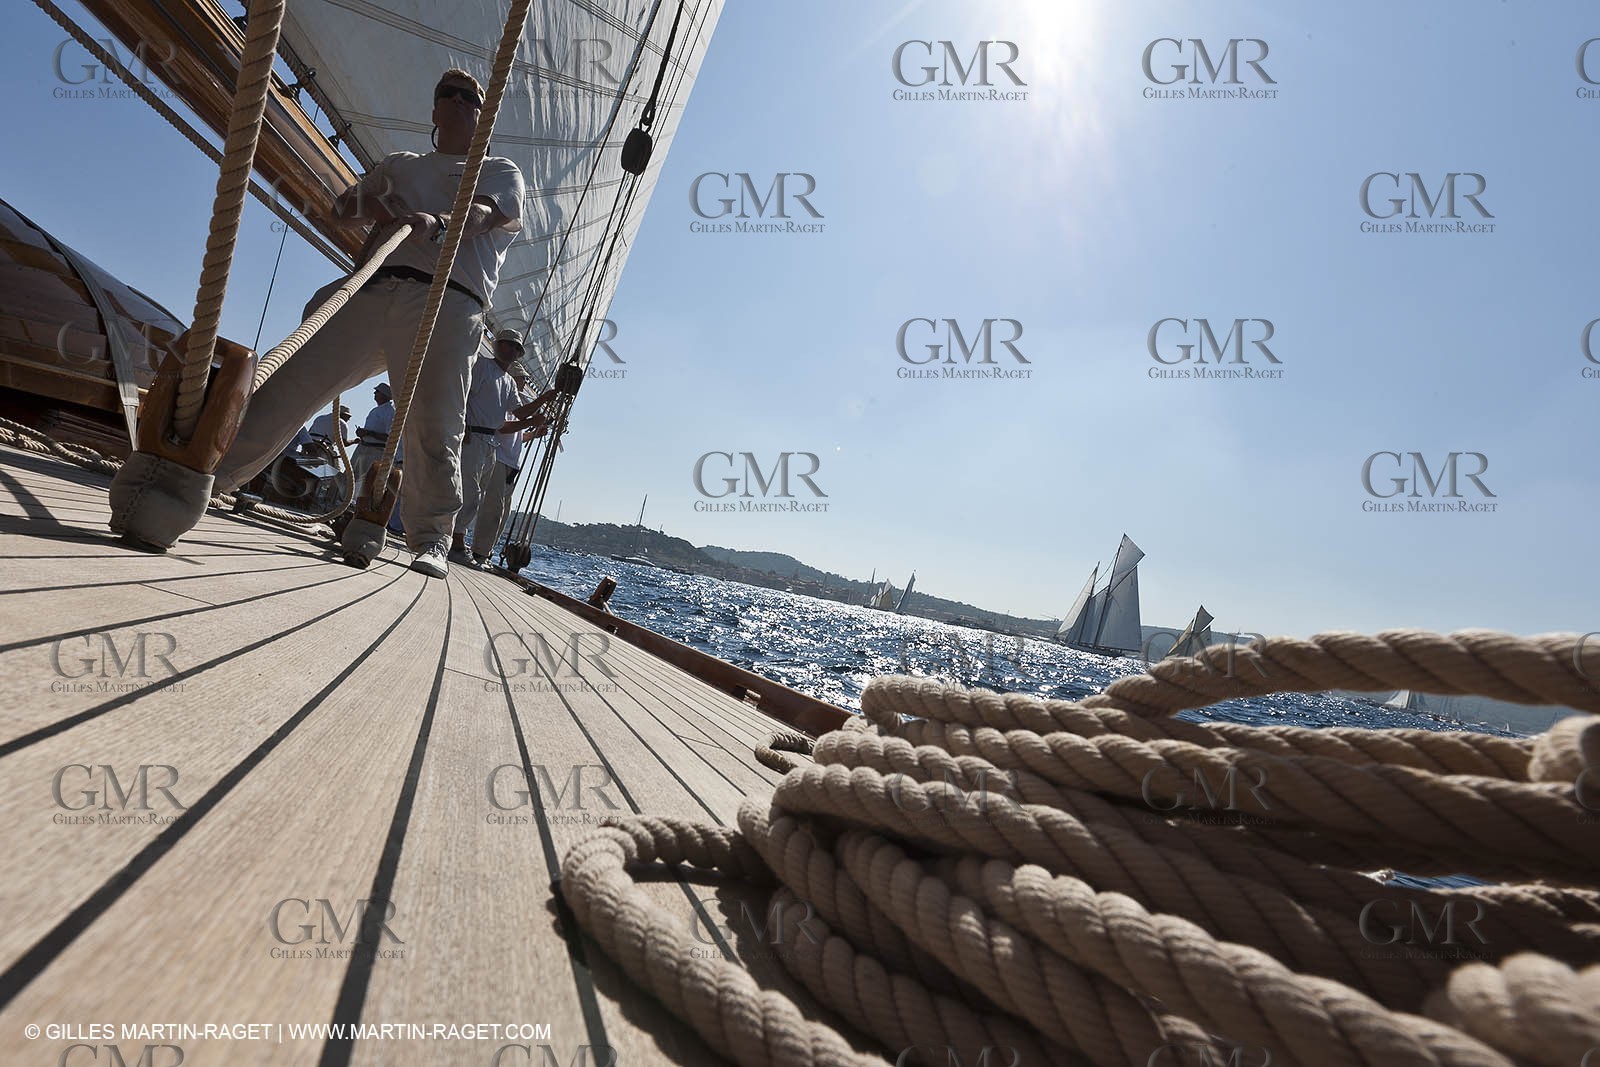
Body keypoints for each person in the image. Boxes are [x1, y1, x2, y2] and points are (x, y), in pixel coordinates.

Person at [212, 67, 525, 580]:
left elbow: (485, 215)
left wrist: (435, 222)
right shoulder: (401, 164)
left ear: (481, 113)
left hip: (447, 301)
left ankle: (430, 537)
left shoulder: (497, 170)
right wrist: (387, 207)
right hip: (373, 286)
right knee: (293, 379)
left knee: (434, 420)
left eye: (466, 96)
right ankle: (217, 472)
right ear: (433, 110)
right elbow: (343, 208)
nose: (453, 99)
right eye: (443, 92)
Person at [452, 330, 524, 560]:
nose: (511, 350)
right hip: (473, 437)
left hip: (490, 444)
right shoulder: (482, 366)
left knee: (475, 495)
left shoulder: (509, 382)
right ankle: (455, 542)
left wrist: (549, 397)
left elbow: (519, 412)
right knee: (469, 493)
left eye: (515, 348)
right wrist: (462, 428)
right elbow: (462, 395)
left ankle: (454, 538)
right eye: (507, 345)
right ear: (496, 345)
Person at [472, 365, 540, 566]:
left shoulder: (516, 405)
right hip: (499, 460)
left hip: (511, 465)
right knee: (493, 509)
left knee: (502, 513)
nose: (525, 383)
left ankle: (486, 550)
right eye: (522, 379)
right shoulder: (504, 403)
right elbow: (502, 428)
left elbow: (518, 436)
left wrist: (535, 433)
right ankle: (479, 552)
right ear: (512, 378)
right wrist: (532, 418)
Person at [347, 382, 395, 506]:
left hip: (375, 452)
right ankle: (345, 503)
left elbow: (390, 437)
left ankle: (358, 506)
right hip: (364, 448)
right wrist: (363, 433)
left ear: (384, 394)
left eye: (377, 391)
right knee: (351, 476)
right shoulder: (375, 410)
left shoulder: (390, 412)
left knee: (367, 481)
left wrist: (368, 432)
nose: (374, 393)